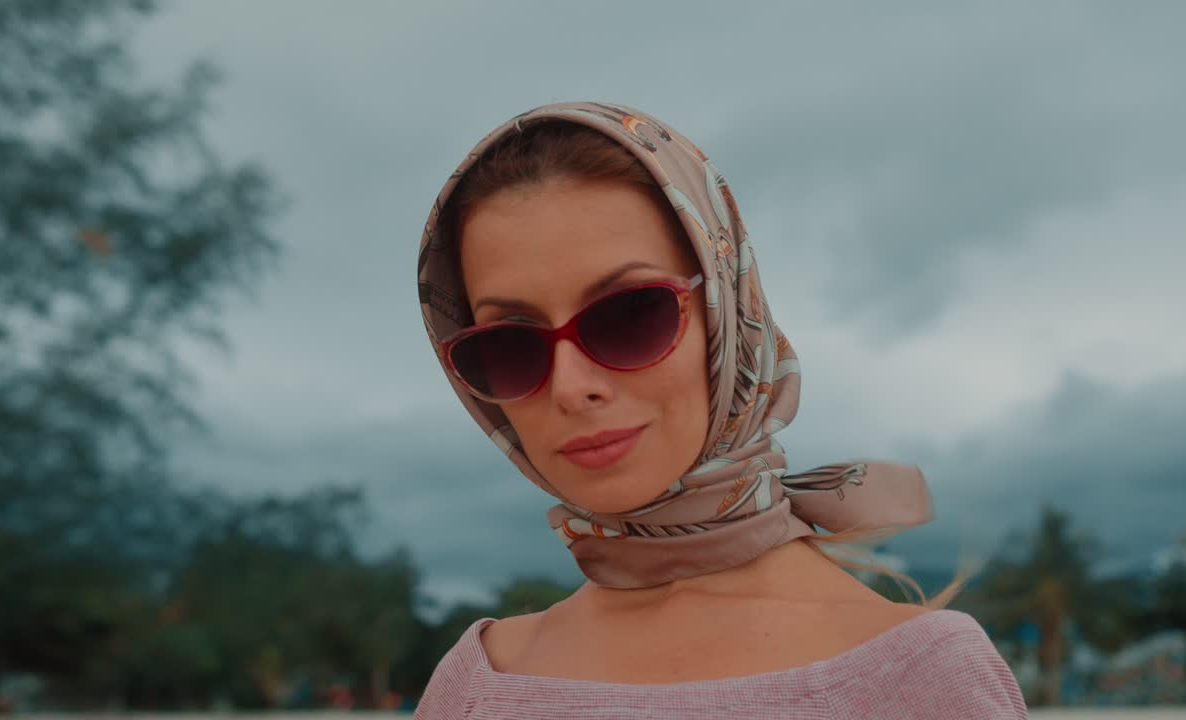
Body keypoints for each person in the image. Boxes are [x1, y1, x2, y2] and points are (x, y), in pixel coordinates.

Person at [413, 101, 1028, 719]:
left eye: (630, 314)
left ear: (728, 314)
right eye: (509, 345)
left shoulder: (924, 681)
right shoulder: (473, 684)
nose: (571, 388)